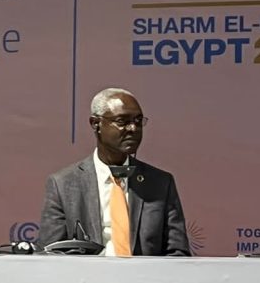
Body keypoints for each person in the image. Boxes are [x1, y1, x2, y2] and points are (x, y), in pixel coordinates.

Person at [38, 87, 190, 256]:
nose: (133, 128)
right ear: (96, 124)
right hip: (86, 273)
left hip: (145, 273)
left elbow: (178, 254)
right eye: (122, 121)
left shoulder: (160, 183)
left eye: (138, 121)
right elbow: (49, 254)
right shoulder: (64, 184)